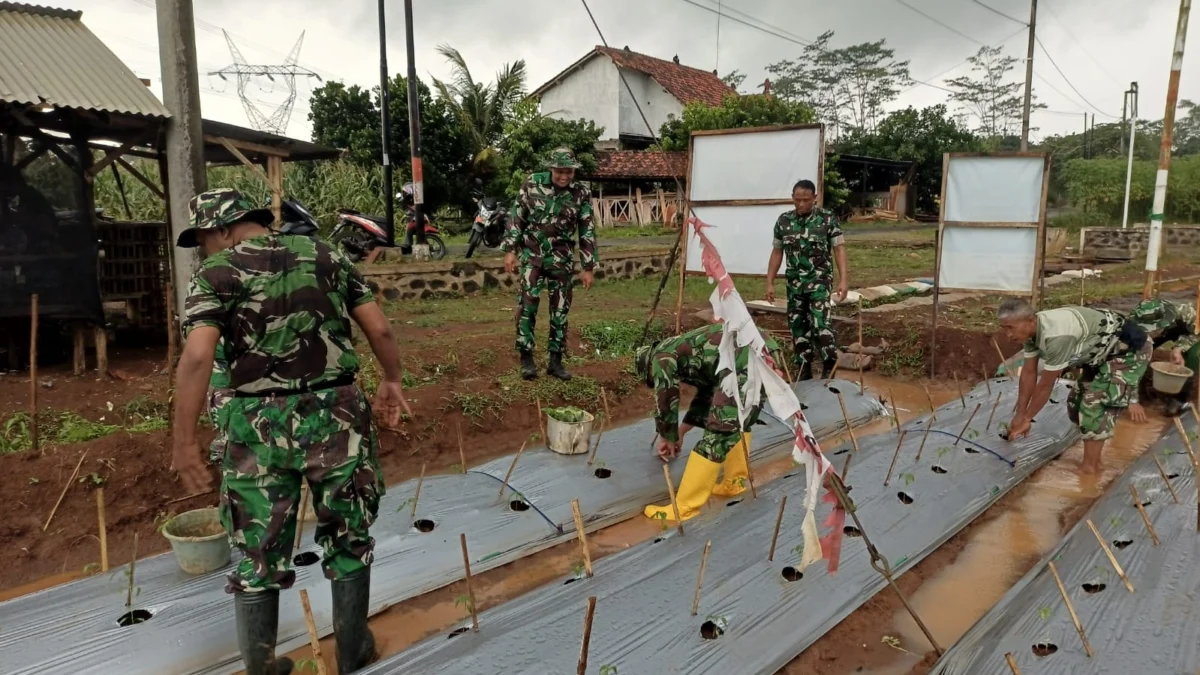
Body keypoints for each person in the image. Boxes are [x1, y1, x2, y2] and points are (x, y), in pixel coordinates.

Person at [170, 189, 412, 675]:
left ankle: (261, 669)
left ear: (222, 228)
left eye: (202, 239)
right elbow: (379, 329)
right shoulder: (326, 254)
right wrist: (391, 380)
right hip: (336, 413)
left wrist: (183, 443)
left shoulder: (215, 274)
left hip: (257, 422)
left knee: (257, 550)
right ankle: (352, 651)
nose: (203, 249)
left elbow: (198, 357)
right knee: (348, 535)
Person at [634, 323, 780, 522]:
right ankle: (734, 483)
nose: (655, 379)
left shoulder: (660, 356)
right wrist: (680, 433)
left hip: (745, 358)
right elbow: (706, 396)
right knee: (738, 421)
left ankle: (684, 508)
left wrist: (667, 436)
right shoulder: (691, 352)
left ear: (648, 366)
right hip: (762, 350)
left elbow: (666, 396)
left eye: (652, 379)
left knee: (718, 433)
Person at [998, 299, 1150, 474]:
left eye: (1011, 328)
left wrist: (1027, 419)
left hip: (1128, 352)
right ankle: (1094, 439)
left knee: (1093, 405)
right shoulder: (1031, 332)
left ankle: (1091, 468)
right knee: (1075, 405)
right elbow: (1029, 373)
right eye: (1004, 329)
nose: (1008, 335)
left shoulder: (1058, 337)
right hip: (1099, 354)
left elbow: (1045, 385)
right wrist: (1020, 414)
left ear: (1031, 320)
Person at [502, 147, 598, 381]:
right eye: (559, 172)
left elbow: (587, 229)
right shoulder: (532, 184)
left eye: (569, 172)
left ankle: (555, 362)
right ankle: (526, 359)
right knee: (527, 306)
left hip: (562, 259)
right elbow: (517, 216)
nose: (564, 176)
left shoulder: (581, 192)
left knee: (560, 310)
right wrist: (511, 250)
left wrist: (587, 267)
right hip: (532, 256)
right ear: (551, 169)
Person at [764, 179, 849, 380]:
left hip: (819, 281)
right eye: (797, 200)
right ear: (792, 198)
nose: (801, 204)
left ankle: (830, 363)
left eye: (806, 200)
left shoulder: (827, 219)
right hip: (794, 284)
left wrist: (843, 279)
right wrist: (769, 281)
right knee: (798, 325)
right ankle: (804, 368)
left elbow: (839, 249)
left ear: (815, 198)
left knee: (820, 323)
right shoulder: (784, 221)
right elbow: (777, 252)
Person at [1130, 297, 1199, 415]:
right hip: (1159, 333)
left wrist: (1179, 348)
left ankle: (1179, 398)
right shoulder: (1131, 328)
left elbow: (1197, 332)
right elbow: (1128, 362)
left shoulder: (1186, 313)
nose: (1149, 332)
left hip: (1185, 332)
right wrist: (1133, 400)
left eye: (1152, 329)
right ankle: (1142, 392)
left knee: (1195, 355)